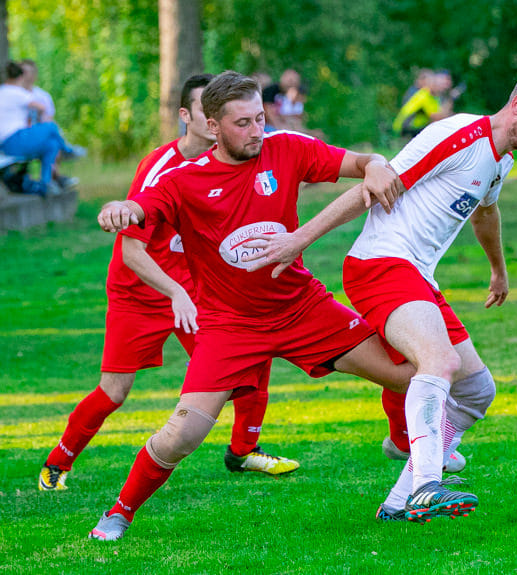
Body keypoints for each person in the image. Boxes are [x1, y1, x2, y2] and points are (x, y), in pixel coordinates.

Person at [242, 64, 517, 522]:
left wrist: (499, 271)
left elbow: (485, 214)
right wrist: (299, 239)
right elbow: (374, 185)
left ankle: (401, 497)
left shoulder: (501, 159)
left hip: (417, 276)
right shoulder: (460, 134)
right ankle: (426, 484)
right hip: (381, 264)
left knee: (478, 390)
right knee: (440, 362)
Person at [89, 71, 416, 541]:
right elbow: (138, 211)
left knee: (408, 374)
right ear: (212, 126)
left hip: (302, 307)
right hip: (229, 326)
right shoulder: (183, 181)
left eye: (260, 118)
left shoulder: (287, 148)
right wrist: (117, 208)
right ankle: (119, 513)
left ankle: (406, 447)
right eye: (243, 123)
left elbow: (361, 162)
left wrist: (379, 163)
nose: (257, 131)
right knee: (181, 435)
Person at [38, 74, 299, 493]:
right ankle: (58, 462)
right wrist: (176, 291)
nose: (217, 121)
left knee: (251, 355)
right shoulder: (161, 168)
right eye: (206, 112)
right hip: (140, 291)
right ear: (190, 117)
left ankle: (243, 451)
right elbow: (131, 252)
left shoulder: (236, 161)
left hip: (193, 291)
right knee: (115, 390)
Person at [0, 61, 84, 196]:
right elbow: (42, 108)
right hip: (14, 140)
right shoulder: (15, 91)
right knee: (50, 127)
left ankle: (46, 183)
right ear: (20, 77)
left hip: (11, 142)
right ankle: (68, 150)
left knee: (51, 145)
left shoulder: (4, 91)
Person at [391, 69, 455, 139]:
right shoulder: (424, 95)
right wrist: (450, 99)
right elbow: (437, 117)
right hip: (406, 128)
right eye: (436, 84)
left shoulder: (434, 97)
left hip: (414, 128)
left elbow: (441, 114)